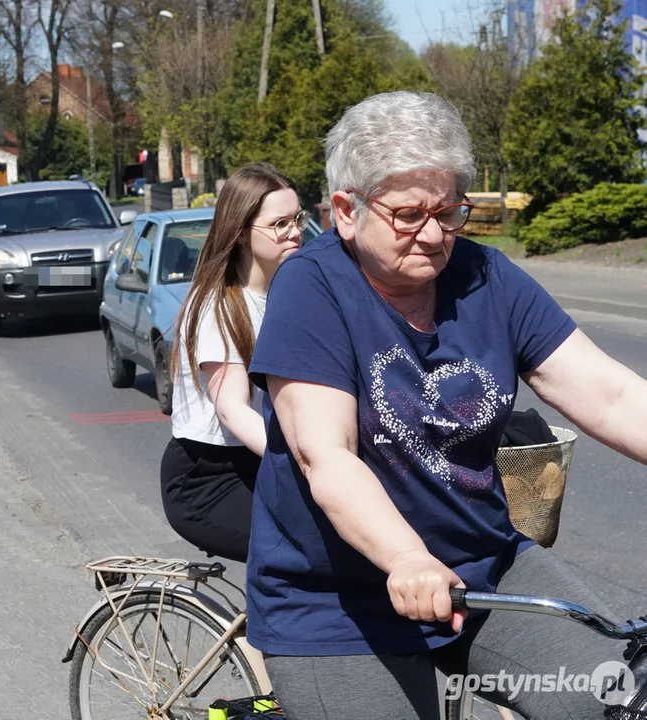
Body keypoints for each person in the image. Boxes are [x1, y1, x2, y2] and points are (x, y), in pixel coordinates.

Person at [245, 90, 647, 719]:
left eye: (450, 211)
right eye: (409, 214)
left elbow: (609, 392)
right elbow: (325, 453)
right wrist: (406, 556)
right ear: (346, 212)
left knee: (615, 697)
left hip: (483, 570)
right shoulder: (312, 285)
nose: (434, 236)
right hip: (337, 602)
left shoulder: (488, 276)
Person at [160, 162, 309, 564]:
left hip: (260, 461)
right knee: (302, 552)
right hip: (210, 479)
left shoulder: (289, 290)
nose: (295, 231)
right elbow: (232, 410)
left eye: (298, 218)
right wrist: (310, 461)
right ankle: (273, 629)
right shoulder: (218, 306)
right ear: (242, 233)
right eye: (279, 224)